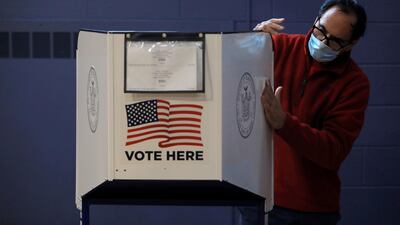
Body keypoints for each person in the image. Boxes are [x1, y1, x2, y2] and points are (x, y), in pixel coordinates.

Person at [254, 0, 369, 224]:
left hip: (311, 209)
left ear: (351, 44)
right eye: (321, 30)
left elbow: (333, 151)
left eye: (334, 42)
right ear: (316, 19)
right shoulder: (279, 46)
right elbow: (231, 76)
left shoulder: (355, 83)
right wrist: (249, 41)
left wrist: (284, 123)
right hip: (261, 201)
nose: (322, 42)